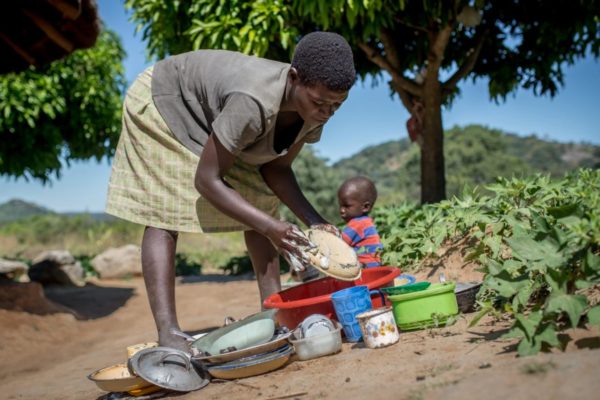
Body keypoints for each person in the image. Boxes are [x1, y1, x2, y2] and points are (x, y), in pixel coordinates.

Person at [105, 32, 356, 352]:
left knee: (262, 203)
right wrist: (270, 227)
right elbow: (207, 180)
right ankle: (169, 333)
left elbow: (275, 170)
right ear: (294, 78)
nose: (326, 112)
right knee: (165, 211)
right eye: (320, 103)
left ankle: (273, 314)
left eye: (337, 105)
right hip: (166, 102)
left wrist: (315, 221)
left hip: (216, 114)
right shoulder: (253, 101)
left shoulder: (315, 109)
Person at [337, 176, 384, 267]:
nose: (342, 210)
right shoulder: (366, 222)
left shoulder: (357, 224)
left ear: (365, 207)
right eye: (340, 205)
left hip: (365, 268)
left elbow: (338, 244)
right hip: (374, 266)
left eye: (347, 206)